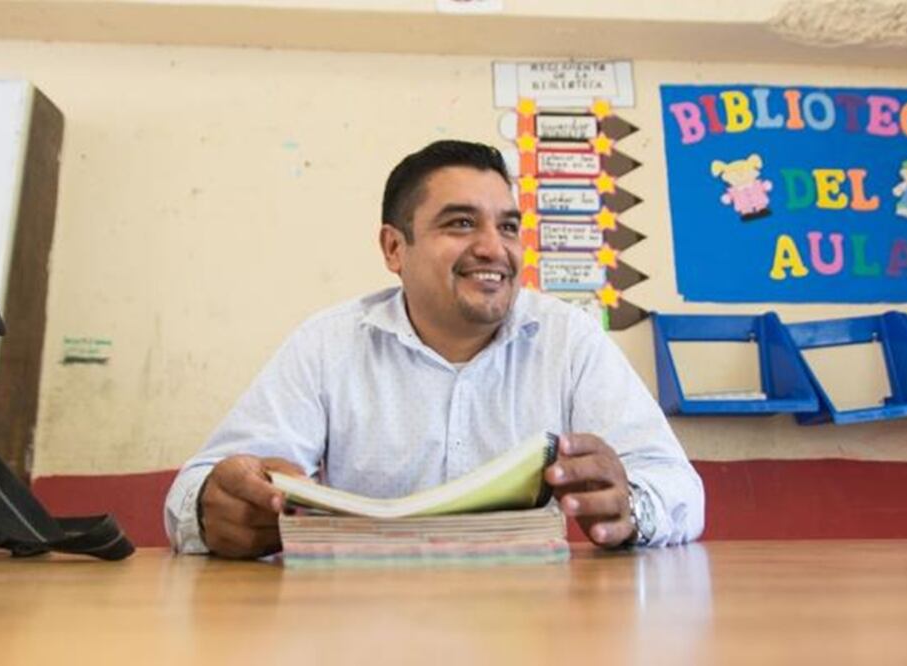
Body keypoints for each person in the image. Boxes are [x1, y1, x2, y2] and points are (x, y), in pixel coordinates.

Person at [164, 140, 704, 557]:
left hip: (535, 628)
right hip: (369, 625)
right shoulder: (329, 343)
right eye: (461, 223)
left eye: (509, 226)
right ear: (394, 247)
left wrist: (633, 506)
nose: (494, 248)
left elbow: (680, 490)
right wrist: (216, 511)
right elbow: (195, 490)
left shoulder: (570, 339)